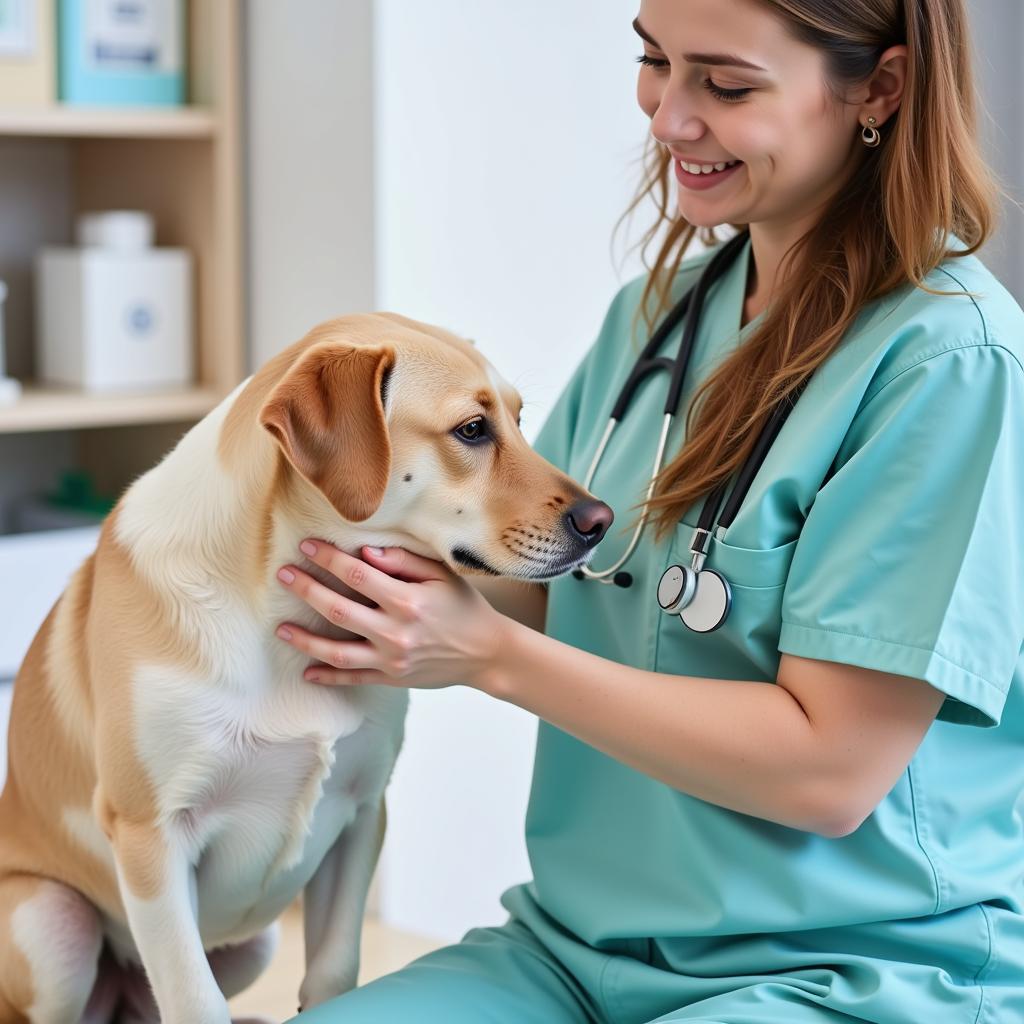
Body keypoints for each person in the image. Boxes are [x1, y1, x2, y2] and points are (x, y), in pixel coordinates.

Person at [274, 1, 1024, 1020]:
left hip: (844, 968)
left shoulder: (946, 360)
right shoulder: (656, 320)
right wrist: (362, 578)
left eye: (724, 84)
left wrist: (488, 656)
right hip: (573, 950)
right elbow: (563, 581)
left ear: (879, 89)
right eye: (653, 61)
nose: (667, 117)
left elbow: (829, 770)